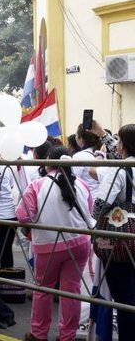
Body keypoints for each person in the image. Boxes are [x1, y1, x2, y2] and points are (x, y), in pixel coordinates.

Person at [17, 146, 93, 341]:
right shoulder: (82, 184)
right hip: (80, 244)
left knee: (43, 290)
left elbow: (23, 216)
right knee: (72, 291)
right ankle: (67, 336)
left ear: (48, 161)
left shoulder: (37, 185)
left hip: (48, 245)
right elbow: (90, 212)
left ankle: (39, 335)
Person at [93, 123, 135, 341]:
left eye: (119, 141)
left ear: (125, 145)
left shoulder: (119, 170)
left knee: (125, 301)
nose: (116, 144)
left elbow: (99, 205)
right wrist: (103, 135)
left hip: (123, 243)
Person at [73, 123, 102, 195]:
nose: (75, 137)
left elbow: (73, 179)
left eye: (76, 135)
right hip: (101, 198)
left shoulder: (79, 156)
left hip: (87, 198)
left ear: (81, 139)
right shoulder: (102, 153)